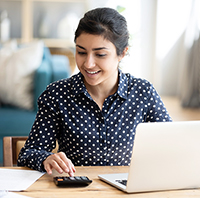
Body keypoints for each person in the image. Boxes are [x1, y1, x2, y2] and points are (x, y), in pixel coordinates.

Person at [17, 7, 172, 176]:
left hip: (128, 190)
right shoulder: (57, 94)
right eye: (81, 52)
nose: (88, 64)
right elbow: (29, 153)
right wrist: (46, 159)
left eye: (100, 55)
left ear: (122, 53)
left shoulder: (143, 92)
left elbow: (172, 144)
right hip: (76, 189)